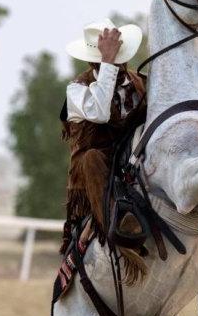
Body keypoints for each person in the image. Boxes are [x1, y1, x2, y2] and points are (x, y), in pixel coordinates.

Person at [61, 18, 147, 251]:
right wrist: (107, 60)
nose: (118, 65)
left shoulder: (143, 83)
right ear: (91, 61)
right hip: (97, 164)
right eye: (111, 60)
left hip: (135, 158)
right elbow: (100, 112)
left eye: (120, 58)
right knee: (92, 159)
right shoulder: (77, 89)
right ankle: (111, 227)